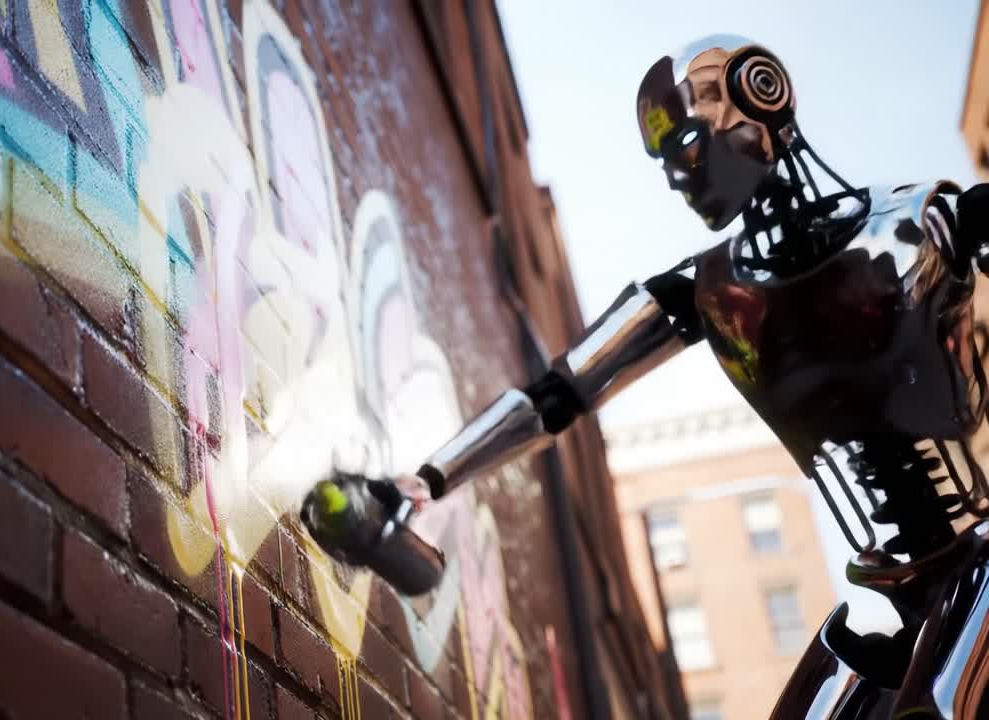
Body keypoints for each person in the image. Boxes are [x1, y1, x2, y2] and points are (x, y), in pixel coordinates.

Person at [302, 35, 989, 717]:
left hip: (975, 566)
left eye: (686, 143)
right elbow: (558, 393)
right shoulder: (706, 289)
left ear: (760, 99)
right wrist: (423, 481)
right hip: (889, 594)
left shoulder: (916, 222)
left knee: (939, 706)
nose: (676, 176)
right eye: (663, 161)